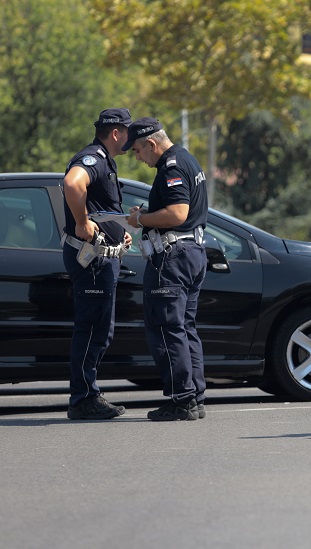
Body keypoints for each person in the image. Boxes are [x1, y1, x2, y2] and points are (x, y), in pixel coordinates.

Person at [123, 117, 209, 421]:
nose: (137, 157)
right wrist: (147, 214)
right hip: (192, 253)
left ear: (151, 143)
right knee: (185, 328)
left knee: (166, 328)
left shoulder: (171, 166)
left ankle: (182, 400)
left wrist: (140, 220)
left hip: (173, 258)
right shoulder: (187, 159)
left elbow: (177, 213)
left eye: (136, 150)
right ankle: (195, 398)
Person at [62, 107, 134, 420]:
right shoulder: (94, 158)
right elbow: (72, 184)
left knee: (99, 330)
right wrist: (81, 222)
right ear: (116, 132)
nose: (131, 138)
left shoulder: (106, 161)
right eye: (128, 131)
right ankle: (82, 399)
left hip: (103, 258)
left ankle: (88, 393)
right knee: (92, 329)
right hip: (92, 261)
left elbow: (103, 208)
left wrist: (121, 235)